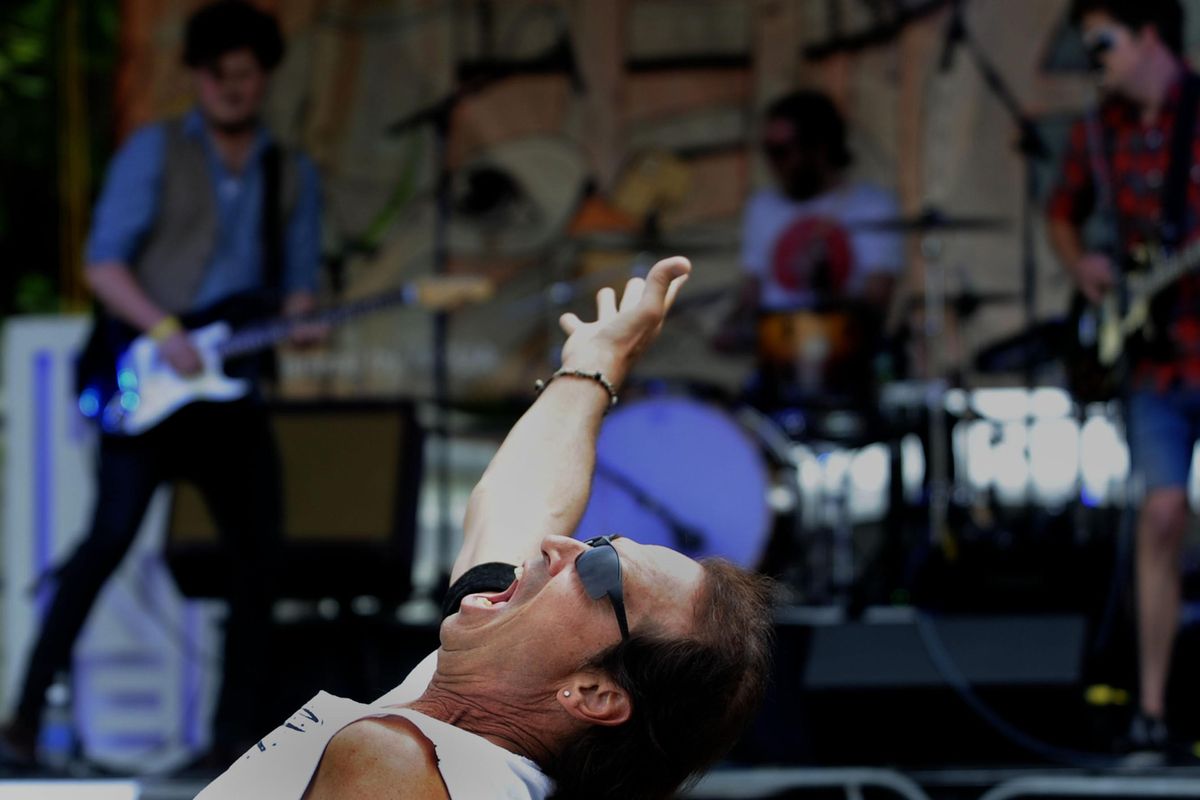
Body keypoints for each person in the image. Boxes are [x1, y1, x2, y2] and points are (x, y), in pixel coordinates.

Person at [195, 256, 777, 800]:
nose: (559, 547)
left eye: (601, 570)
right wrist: (597, 360)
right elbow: (525, 499)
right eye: (598, 541)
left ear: (594, 695)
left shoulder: (402, 764)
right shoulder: (457, 719)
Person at [0, 0, 322, 766]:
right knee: (106, 540)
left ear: (262, 77)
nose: (234, 89)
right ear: (200, 77)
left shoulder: (291, 172)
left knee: (260, 555)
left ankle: (233, 740)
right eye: (221, 75)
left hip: (229, 390)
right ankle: (21, 718)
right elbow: (104, 265)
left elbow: (298, 290)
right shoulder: (155, 152)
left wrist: (305, 322)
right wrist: (165, 332)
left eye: (246, 75)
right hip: (149, 380)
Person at [1047, 0, 1195, 754]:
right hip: (1156, 358)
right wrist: (1085, 266)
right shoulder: (1098, 131)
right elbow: (1061, 211)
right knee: (1161, 516)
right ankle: (1153, 711)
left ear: (1148, 37)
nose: (1093, 56)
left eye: (1102, 42)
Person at [715, 89, 904, 408]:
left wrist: (825, 291)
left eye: (782, 151)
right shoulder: (762, 207)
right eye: (768, 151)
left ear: (820, 147)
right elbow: (752, 291)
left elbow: (875, 305)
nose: (773, 163)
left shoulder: (870, 206)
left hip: (848, 370)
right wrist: (732, 327)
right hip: (775, 370)